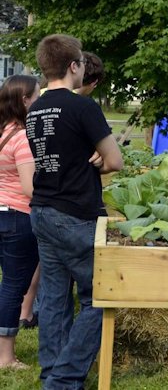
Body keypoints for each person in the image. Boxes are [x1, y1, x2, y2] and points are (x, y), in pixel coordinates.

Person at [26, 34, 123, 389]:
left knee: (53, 297)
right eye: (82, 62)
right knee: (102, 295)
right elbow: (115, 160)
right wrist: (97, 163)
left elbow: (57, 154)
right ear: (73, 66)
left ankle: (51, 369)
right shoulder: (83, 107)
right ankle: (64, 379)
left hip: (43, 210)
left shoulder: (35, 108)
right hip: (75, 214)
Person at [0, 75, 40, 370]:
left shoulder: (3, 131)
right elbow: (30, 187)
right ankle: (5, 357)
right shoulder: (23, 137)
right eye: (37, 98)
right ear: (25, 101)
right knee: (14, 287)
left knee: (7, 285)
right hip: (18, 216)